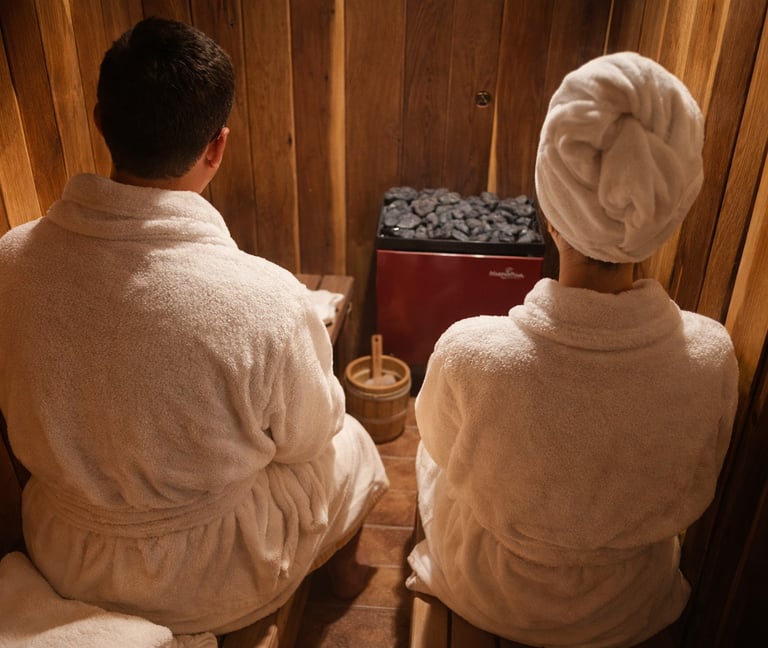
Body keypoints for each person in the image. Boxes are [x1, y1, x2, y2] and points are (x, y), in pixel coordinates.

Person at [0, 17, 388, 636]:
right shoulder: (267, 299)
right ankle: (340, 581)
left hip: (64, 552)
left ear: (99, 122)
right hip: (207, 575)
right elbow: (310, 437)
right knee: (353, 442)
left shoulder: (9, 262)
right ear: (217, 147)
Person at [406, 52, 739, 647]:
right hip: (629, 603)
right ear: (671, 209)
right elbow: (698, 478)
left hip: (492, 587)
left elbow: (436, 443)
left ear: (550, 210)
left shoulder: (470, 351)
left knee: (437, 453)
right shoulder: (712, 357)